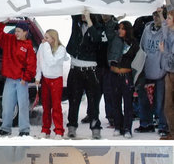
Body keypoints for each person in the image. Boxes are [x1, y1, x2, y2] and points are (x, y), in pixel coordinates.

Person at [0, 20, 36, 136]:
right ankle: (5, 128)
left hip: (22, 81)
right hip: (9, 79)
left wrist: (25, 77)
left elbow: (32, 65)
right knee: (7, 105)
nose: (16, 33)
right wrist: (2, 24)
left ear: (25, 33)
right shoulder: (9, 40)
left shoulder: (28, 46)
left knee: (23, 105)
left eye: (19, 31)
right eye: (15, 31)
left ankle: (24, 130)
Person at [66, 9, 103, 139]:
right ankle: (72, 126)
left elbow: (96, 38)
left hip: (91, 70)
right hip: (75, 68)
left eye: (86, 13)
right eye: (81, 13)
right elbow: (71, 8)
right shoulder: (76, 23)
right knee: (74, 100)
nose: (82, 15)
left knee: (93, 101)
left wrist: (89, 20)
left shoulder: (97, 27)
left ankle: (95, 127)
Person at [134, 8, 168, 137]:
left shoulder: (167, 31)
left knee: (160, 102)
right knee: (143, 99)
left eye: (158, 16)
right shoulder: (147, 28)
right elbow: (142, 47)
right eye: (154, 15)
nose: (155, 18)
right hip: (146, 69)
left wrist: (162, 15)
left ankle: (163, 125)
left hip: (160, 71)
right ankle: (146, 123)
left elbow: (168, 35)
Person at [108, 20, 139, 138]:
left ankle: (127, 128)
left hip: (126, 76)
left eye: (123, 28)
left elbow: (137, 61)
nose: (120, 31)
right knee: (115, 102)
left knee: (127, 104)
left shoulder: (134, 43)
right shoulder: (115, 41)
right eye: (119, 28)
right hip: (114, 75)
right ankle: (118, 126)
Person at [35, 29, 68, 139]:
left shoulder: (60, 49)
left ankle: (59, 131)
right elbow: (39, 62)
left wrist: (46, 48)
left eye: (47, 38)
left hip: (56, 79)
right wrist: (38, 76)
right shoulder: (43, 47)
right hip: (46, 79)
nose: (44, 40)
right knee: (46, 106)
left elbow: (51, 62)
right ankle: (45, 129)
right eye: (44, 37)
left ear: (53, 39)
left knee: (56, 106)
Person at [159, 9, 174, 140]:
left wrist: (163, 51)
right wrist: (160, 13)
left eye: (169, 18)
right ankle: (172, 132)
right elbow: (164, 25)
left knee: (169, 106)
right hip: (169, 72)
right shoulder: (169, 32)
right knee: (168, 106)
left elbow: (172, 57)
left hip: (172, 72)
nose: (166, 20)